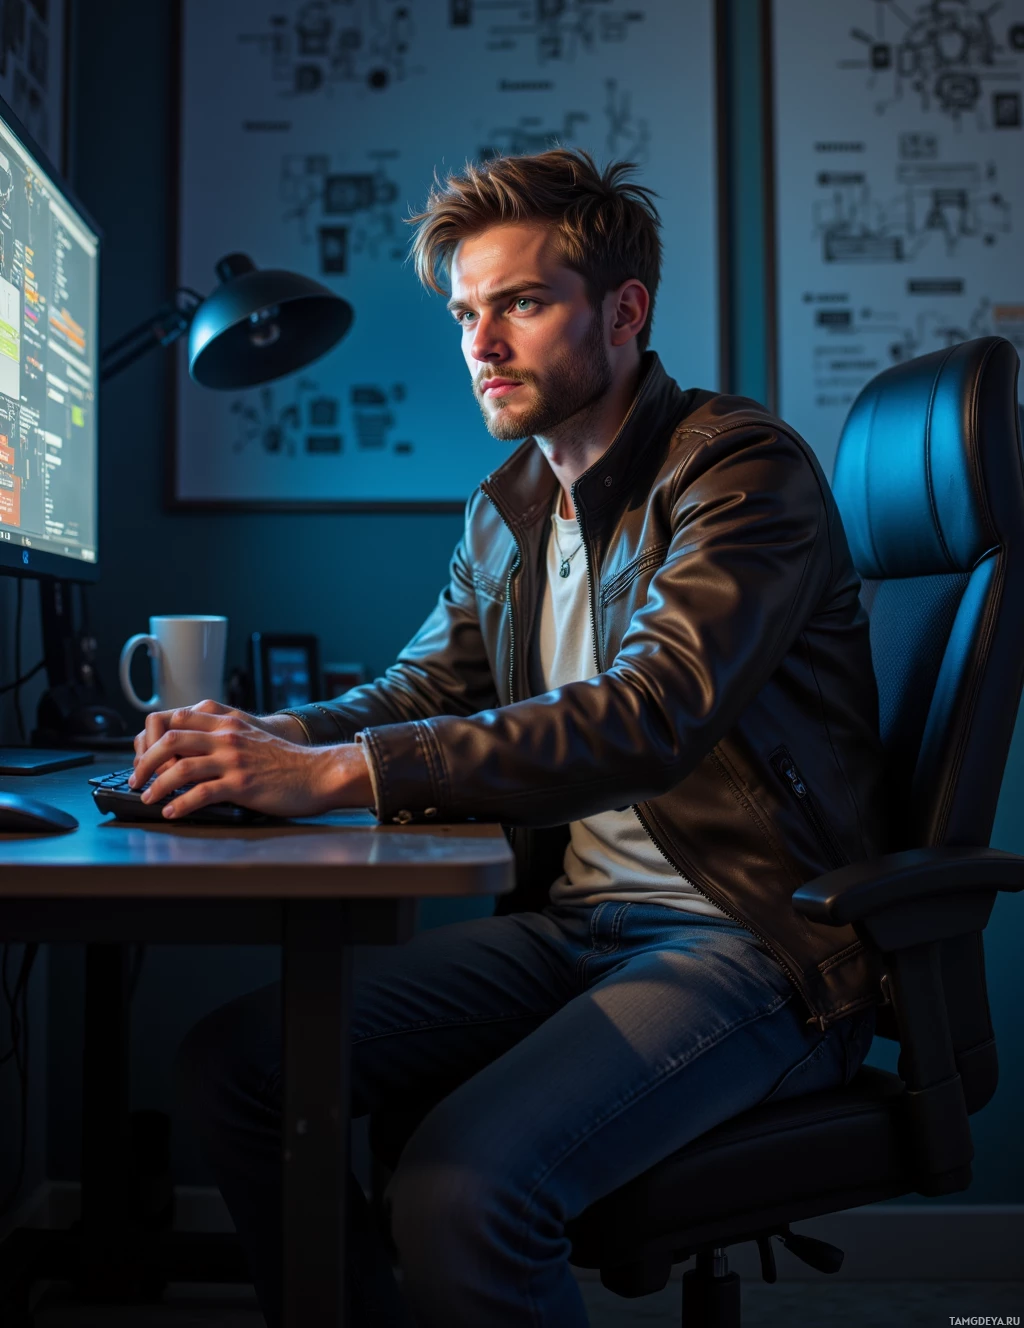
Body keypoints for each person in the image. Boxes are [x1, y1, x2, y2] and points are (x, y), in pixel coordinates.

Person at [132, 150, 886, 1328]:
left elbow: (654, 713)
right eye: (466, 313)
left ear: (622, 312)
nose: (482, 343)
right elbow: (419, 687)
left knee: (460, 1191)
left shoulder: (740, 473)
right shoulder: (509, 507)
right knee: (242, 1066)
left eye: (522, 304)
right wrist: (270, 733)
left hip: (748, 944)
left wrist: (331, 773)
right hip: (572, 929)